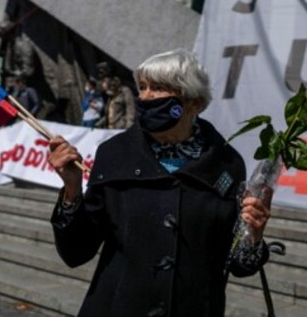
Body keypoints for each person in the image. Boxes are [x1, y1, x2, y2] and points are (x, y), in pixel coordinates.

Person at [48, 49, 272, 316]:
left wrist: (254, 235)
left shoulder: (227, 164)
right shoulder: (115, 154)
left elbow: (238, 263)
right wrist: (72, 192)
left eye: (159, 88)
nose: (146, 96)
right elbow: (77, 252)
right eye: (142, 87)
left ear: (193, 102)